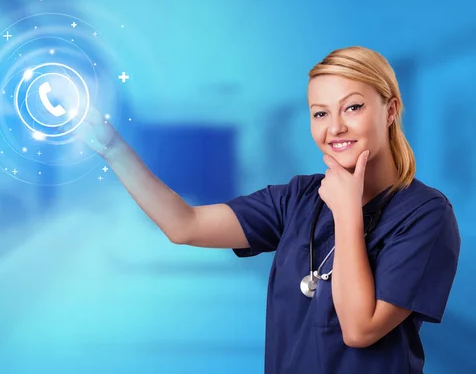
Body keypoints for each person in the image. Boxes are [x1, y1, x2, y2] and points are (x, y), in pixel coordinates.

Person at [78, 46, 462, 374]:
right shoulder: (298, 197)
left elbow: (359, 330)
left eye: (353, 108)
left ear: (390, 110)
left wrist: (347, 213)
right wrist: (113, 148)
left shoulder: (425, 215)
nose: (335, 128)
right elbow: (185, 225)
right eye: (320, 113)